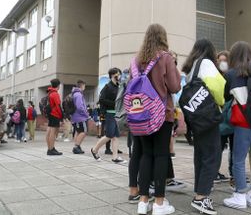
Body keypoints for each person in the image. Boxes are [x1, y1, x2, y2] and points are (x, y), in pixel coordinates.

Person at [132, 24, 181, 215]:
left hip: (140, 114)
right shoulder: (166, 58)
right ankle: (160, 203)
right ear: (163, 37)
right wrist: (173, 66)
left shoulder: (136, 60)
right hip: (162, 114)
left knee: (146, 154)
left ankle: (143, 202)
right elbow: (175, 86)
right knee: (161, 155)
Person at [182, 38, 226, 215]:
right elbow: (217, 88)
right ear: (210, 50)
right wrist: (221, 102)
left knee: (200, 155)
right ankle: (201, 198)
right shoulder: (206, 63)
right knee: (212, 156)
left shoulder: (191, 68)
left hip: (197, 118)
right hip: (208, 116)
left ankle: (199, 192)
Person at [223, 41, 251, 210]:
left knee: (238, 159)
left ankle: (240, 195)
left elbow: (226, 96)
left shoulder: (232, 74)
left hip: (244, 121)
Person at [91, 68, 125, 163]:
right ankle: (94, 150)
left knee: (115, 136)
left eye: (120, 74)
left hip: (116, 114)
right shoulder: (107, 87)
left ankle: (115, 157)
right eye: (118, 75)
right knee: (109, 135)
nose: (119, 76)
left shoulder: (118, 86)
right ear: (113, 75)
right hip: (109, 114)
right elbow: (101, 99)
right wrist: (114, 103)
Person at [215, 50, 231, 183]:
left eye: (225, 60)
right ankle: (215, 171)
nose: (222, 63)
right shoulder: (215, 75)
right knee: (218, 145)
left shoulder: (232, 75)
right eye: (220, 60)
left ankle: (233, 171)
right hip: (220, 116)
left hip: (231, 115)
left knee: (234, 145)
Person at [71, 80, 90, 154]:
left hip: (75, 116)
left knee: (78, 131)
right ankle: (76, 146)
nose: (84, 87)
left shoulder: (74, 94)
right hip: (80, 117)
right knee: (84, 131)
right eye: (84, 86)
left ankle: (77, 146)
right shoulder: (78, 94)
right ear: (82, 85)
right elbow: (80, 107)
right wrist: (86, 114)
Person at [46, 78, 63, 156]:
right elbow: (58, 106)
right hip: (54, 114)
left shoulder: (49, 92)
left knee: (49, 131)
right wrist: (61, 116)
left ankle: (49, 148)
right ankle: (51, 149)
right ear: (58, 86)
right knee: (53, 132)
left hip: (50, 114)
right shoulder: (55, 94)